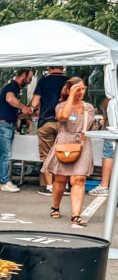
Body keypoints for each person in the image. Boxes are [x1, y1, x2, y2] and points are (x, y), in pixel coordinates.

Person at [42, 77, 94, 226]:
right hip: (64, 144)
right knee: (61, 179)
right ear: (69, 90)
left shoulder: (89, 108)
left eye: (83, 88)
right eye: (78, 89)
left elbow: (89, 127)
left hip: (83, 143)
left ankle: (76, 215)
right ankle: (55, 206)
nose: (81, 91)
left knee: (79, 179)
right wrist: (71, 95)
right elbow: (63, 117)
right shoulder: (61, 106)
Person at [0, 68, 34, 192]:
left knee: (3, 155)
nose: (29, 82)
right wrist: (24, 107)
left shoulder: (13, 88)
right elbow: (10, 99)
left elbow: (15, 113)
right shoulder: (12, 87)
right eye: (29, 79)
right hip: (4, 125)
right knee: (6, 155)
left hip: (5, 124)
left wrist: (28, 113)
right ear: (23, 75)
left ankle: (2, 181)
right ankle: (5, 182)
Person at [32, 66, 69, 196]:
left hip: (46, 122)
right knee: (65, 154)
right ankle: (66, 186)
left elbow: (35, 103)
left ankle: (49, 186)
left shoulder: (43, 81)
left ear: (49, 68)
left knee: (47, 155)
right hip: (65, 123)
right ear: (62, 68)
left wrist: (33, 108)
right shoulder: (69, 81)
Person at [90, 98, 113, 196]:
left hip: (112, 129)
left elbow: (106, 104)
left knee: (108, 153)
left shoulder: (112, 93)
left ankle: (104, 185)